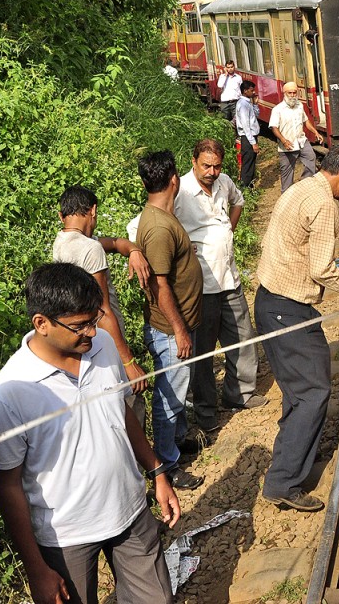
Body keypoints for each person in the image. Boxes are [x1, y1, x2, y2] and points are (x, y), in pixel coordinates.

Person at [0, 263, 180, 604]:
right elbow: (9, 485)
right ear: (41, 323)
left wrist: (156, 470)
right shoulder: (10, 392)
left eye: (94, 320)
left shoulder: (103, 344)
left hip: (131, 511)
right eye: (80, 326)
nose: (91, 332)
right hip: (67, 537)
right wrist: (36, 569)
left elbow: (120, 412)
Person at [254, 144, 339, 511]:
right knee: (313, 393)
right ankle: (284, 483)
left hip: (273, 302)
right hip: (288, 309)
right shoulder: (323, 204)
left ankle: (294, 460)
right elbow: (322, 270)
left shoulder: (302, 187)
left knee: (301, 389)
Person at [176, 139, 267, 433]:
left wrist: (229, 227)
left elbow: (239, 201)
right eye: (206, 166)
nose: (212, 172)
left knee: (242, 337)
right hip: (201, 287)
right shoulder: (180, 191)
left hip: (230, 278)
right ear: (193, 161)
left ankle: (239, 394)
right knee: (202, 352)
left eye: (216, 166)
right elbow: (143, 225)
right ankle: (206, 412)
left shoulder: (224, 182)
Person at [135, 151, 206, 489]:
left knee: (177, 390)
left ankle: (177, 441)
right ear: (174, 180)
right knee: (168, 398)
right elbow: (160, 286)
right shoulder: (160, 227)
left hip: (175, 328)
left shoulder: (161, 216)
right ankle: (167, 463)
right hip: (168, 332)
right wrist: (180, 330)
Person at [52, 185, 151, 425]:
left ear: (61, 216)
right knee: (128, 404)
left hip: (80, 339)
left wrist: (134, 250)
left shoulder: (63, 241)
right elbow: (103, 311)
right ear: (93, 211)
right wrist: (128, 362)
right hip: (103, 341)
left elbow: (116, 243)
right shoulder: (90, 248)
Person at [269, 81, 323, 193]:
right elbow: (274, 127)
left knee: (311, 159)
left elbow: (306, 121)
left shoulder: (300, 105)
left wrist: (315, 132)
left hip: (301, 141)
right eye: (290, 93)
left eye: (294, 93)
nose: (293, 95)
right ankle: (286, 196)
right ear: (284, 93)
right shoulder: (277, 110)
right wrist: (283, 141)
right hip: (287, 145)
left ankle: (305, 185)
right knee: (287, 174)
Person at [234, 79, 260, 188]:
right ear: (245, 91)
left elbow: (256, 115)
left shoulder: (248, 103)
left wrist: (255, 104)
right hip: (247, 138)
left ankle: (249, 185)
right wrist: (253, 142)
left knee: (251, 162)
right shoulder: (243, 105)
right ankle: (245, 187)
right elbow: (246, 126)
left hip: (251, 137)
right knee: (248, 163)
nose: (253, 92)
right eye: (251, 90)